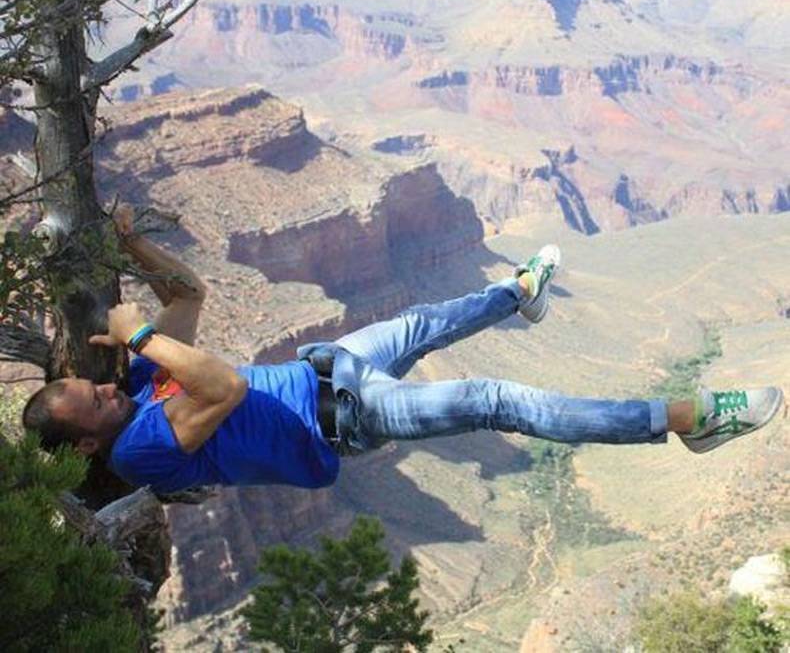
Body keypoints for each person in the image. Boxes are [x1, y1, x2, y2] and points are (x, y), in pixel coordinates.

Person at [22, 208, 784, 495]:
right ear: (88, 439)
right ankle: (687, 420)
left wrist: (133, 246)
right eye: (98, 402)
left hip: (330, 366)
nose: (112, 389)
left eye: (102, 385)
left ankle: (519, 293)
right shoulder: (141, 451)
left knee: (424, 320)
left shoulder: (146, 386)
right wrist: (136, 335)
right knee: (495, 399)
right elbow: (219, 387)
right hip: (345, 417)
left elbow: (189, 297)